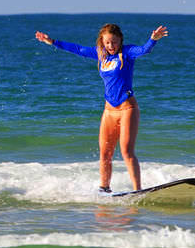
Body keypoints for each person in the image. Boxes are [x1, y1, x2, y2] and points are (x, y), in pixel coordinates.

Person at [35, 24, 168, 192]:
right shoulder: (101, 55)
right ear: (102, 43)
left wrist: (152, 40)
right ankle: (104, 188)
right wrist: (51, 41)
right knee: (105, 153)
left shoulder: (126, 53)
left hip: (128, 109)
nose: (111, 46)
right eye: (107, 43)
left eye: (114, 42)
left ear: (120, 40)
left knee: (127, 151)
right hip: (109, 111)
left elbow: (143, 50)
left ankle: (138, 190)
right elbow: (78, 49)